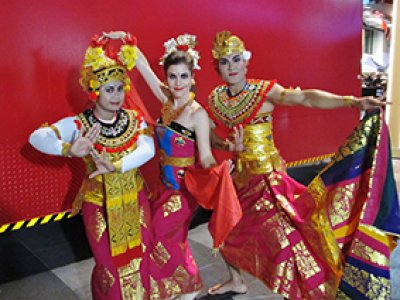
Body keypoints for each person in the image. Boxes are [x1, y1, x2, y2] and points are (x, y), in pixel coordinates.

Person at [206, 31, 400, 299]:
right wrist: (229, 148)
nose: (231, 67)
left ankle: (313, 288)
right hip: (238, 180)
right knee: (224, 229)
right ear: (217, 67)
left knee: (289, 241)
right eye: (225, 62)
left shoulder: (264, 92)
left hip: (268, 182)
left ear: (245, 62)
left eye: (236, 59)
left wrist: (353, 102)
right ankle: (236, 281)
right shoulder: (217, 98)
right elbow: (213, 138)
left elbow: (306, 98)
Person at [29, 32, 155, 299]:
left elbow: (148, 149)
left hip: (135, 198)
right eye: (109, 89)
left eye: (120, 88)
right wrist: (68, 149)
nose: (116, 95)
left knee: (140, 258)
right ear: (95, 90)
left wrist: (118, 165)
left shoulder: (134, 119)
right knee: (108, 266)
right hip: (99, 204)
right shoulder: (80, 124)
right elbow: (38, 137)